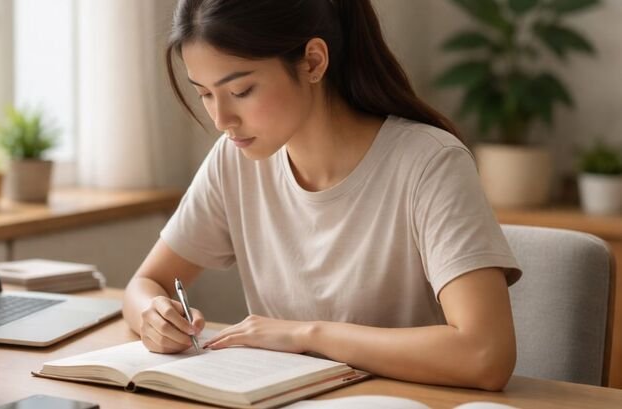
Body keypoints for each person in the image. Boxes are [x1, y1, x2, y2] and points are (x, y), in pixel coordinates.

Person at [123, 0, 522, 391]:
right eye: (205, 94)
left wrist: (307, 335)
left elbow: (485, 356)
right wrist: (153, 315)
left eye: (241, 90)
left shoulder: (430, 162)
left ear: (313, 62)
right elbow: (146, 283)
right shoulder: (236, 159)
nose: (221, 120)